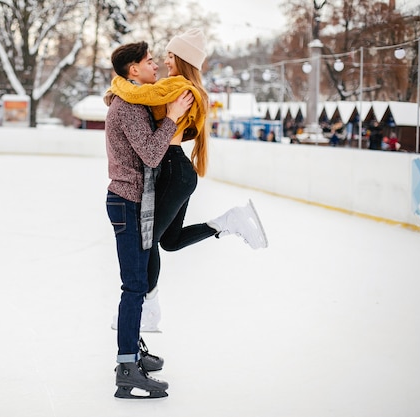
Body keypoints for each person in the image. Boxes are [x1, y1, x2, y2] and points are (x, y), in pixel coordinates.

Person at [106, 29, 268, 334]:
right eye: (160, 57)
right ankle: (227, 222)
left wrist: (117, 84)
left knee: (147, 239)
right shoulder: (182, 87)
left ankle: (149, 308)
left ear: (182, 59)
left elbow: (139, 94)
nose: (164, 62)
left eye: (168, 56)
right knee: (169, 240)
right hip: (176, 169)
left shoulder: (175, 86)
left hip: (172, 167)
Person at [104, 40, 194, 399]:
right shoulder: (126, 106)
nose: (155, 66)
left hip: (133, 202)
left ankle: (133, 354)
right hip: (126, 203)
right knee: (134, 286)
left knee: (137, 284)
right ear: (133, 70)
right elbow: (153, 154)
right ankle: (127, 368)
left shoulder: (135, 101)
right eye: (149, 61)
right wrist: (172, 115)